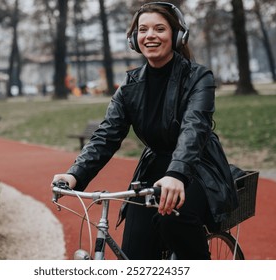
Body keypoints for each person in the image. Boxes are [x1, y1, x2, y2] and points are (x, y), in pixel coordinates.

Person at [51, 2, 238, 260]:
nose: (150, 35)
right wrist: (74, 174)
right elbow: (106, 136)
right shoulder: (129, 86)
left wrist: (176, 175)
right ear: (134, 39)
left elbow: (194, 128)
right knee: (134, 255)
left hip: (197, 169)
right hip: (153, 171)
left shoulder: (198, 78)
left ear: (177, 35)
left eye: (159, 28)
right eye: (143, 29)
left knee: (174, 220)